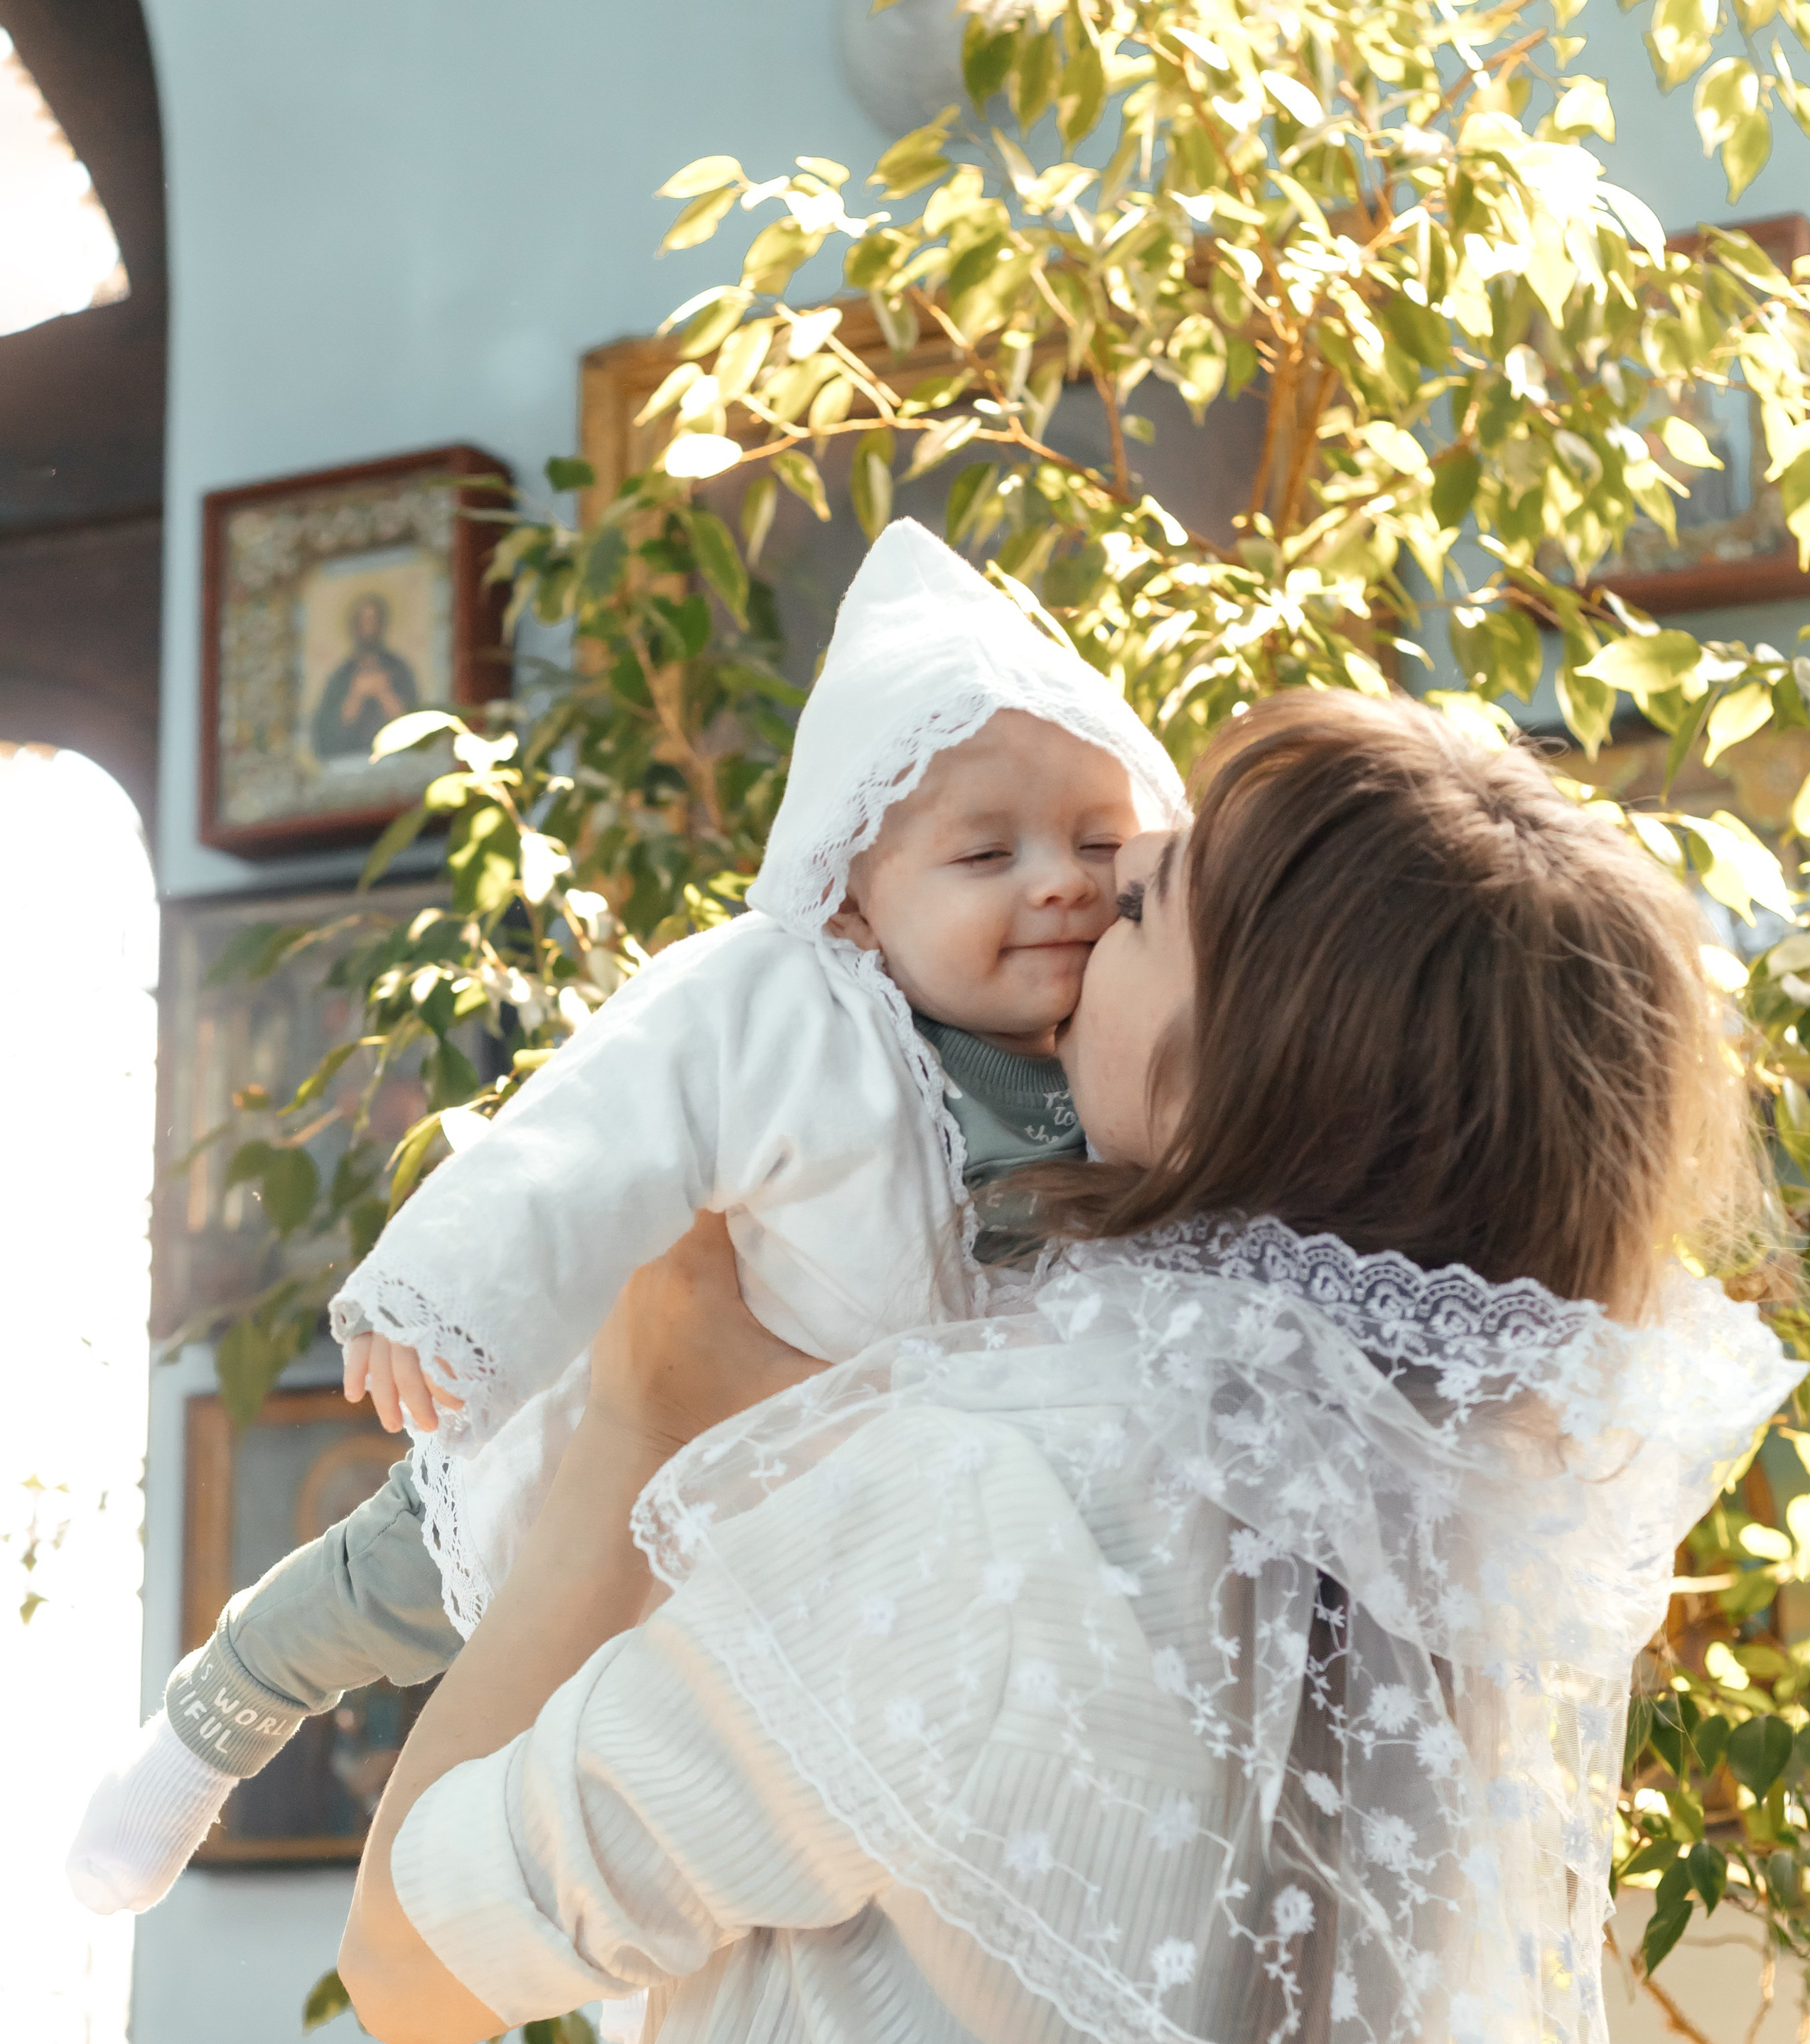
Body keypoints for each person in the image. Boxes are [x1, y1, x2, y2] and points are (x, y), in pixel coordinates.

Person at [337, 692, 1796, 2044]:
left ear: (1223, 1067)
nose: (1084, 911)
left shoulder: (985, 1491)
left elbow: (411, 1948)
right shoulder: (1455, 1532)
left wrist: (631, 1421)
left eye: (1150, 901)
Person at [67, 522, 1183, 1916]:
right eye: (985, 855)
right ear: (849, 898)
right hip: (626, 1429)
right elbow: (591, 1130)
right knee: (383, 1584)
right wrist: (441, 1298)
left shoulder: (1123, 1056)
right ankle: (209, 1719)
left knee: (663, 1765)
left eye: (1094, 841)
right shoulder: (784, 1007)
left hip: (826, 1532)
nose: (1060, 882)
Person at [309, 591, 421, 763]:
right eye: (362, 621)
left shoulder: (399, 669)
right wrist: (355, 696)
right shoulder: (341, 676)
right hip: (348, 765)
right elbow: (325, 737)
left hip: (396, 764)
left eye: (373, 621)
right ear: (354, 626)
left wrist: (384, 693)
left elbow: (417, 726)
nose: (368, 627)